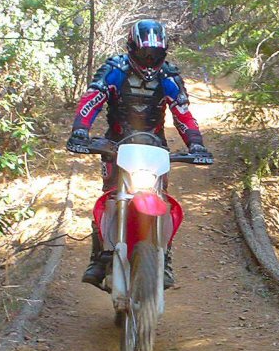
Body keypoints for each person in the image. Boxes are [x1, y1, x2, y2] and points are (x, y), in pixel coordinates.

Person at [65, 19, 211, 288]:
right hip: (115, 146)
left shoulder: (168, 78)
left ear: (163, 52)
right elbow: (92, 100)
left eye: (154, 54)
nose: (149, 59)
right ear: (131, 47)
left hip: (154, 148)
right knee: (110, 196)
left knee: (162, 200)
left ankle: (164, 258)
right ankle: (98, 258)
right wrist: (80, 132)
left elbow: (183, 114)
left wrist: (196, 144)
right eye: (145, 53)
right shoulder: (115, 70)